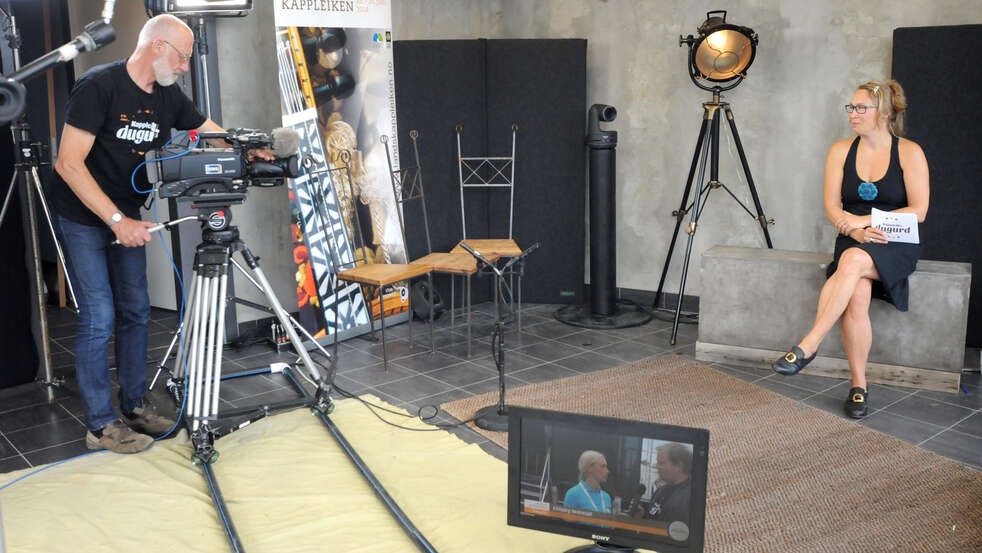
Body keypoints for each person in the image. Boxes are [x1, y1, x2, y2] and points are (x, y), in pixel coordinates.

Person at [50, 15, 272, 454]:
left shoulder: (167, 95)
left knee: (136, 310)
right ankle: (100, 425)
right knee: (100, 316)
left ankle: (134, 404)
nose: (185, 67)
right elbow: (67, 164)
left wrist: (248, 152)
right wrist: (117, 221)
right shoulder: (99, 86)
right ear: (156, 46)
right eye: (183, 57)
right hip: (82, 214)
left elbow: (209, 132)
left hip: (126, 212)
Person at [771, 80, 929, 419]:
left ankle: (809, 344)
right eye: (851, 107)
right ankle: (859, 386)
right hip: (853, 235)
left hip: (894, 237)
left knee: (854, 260)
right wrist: (854, 229)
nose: (852, 114)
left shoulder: (910, 152)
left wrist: (866, 220)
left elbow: (919, 211)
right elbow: (832, 208)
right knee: (857, 292)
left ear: (884, 113)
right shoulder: (841, 150)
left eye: (860, 108)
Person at [645, 443, 692, 524]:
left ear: (678, 466)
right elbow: (652, 517)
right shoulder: (660, 491)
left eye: (661, 463)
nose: (657, 466)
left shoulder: (689, 498)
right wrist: (641, 517)